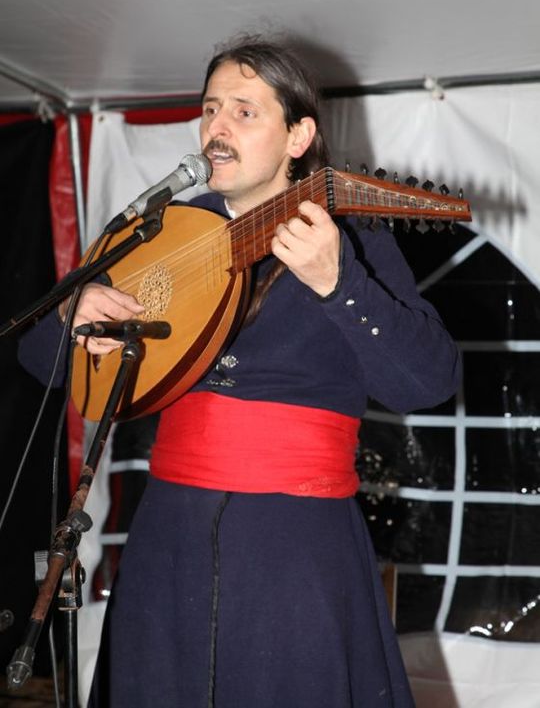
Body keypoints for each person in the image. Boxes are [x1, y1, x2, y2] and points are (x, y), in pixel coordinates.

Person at [19, 34, 461, 707]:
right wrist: (70, 312)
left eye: (244, 111)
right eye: (209, 109)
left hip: (297, 541)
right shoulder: (163, 232)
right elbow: (37, 362)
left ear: (298, 136)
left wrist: (339, 283)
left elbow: (428, 382)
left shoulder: (353, 237)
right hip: (168, 535)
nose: (216, 128)